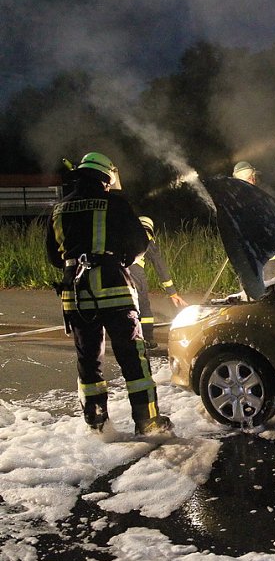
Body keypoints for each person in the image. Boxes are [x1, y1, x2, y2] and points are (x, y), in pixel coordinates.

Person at [45, 152, 174, 437]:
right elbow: (140, 244)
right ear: (106, 178)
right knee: (133, 357)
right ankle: (147, 421)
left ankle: (97, 423)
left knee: (88, 361)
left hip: (76, 296)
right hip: (114, 290)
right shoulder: (115, 202)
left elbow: (55, 257)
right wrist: (121, 259)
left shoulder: (59, 208)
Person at [128, 216, 188, 349]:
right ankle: (148, 340)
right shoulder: (145, 236)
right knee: (143, 305)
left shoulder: (126, 232)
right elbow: (158, 263)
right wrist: (172, 292)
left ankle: (127, 338)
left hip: (117, 270)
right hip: (134, 272)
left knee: (123, 305)